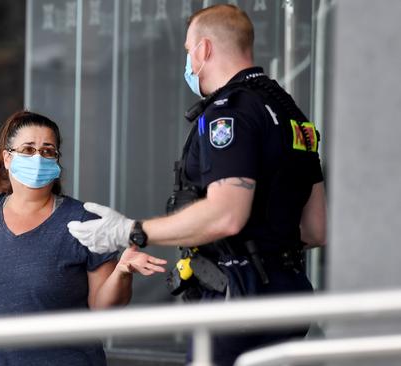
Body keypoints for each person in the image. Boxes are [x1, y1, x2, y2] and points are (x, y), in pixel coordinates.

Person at [67, 4, 326, 366]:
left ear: (204, 49)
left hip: (237, 297)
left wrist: (131, 230)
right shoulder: (292, 114)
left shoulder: (228, 112)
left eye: (189, 51)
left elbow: (226, 216)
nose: (189, 62)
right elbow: (315, 230)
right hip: (290, 292)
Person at [0, 110, 167, 366]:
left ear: (57, 161)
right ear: (8, 158)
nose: (38, 158)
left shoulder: (83, 220)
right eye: (28, 149)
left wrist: (122, 271)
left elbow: (103, 309)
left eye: (48, 151)